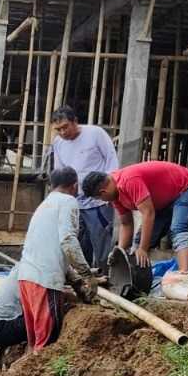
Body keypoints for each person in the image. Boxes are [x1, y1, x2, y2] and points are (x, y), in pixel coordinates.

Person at [19, 167, 97, 350]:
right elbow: (68, 240)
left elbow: (50, 250)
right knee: (47, 346)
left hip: (26, 278)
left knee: (35, 344)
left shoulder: (44, 205)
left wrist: (76, 281)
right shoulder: (68, 201)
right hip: (45, 282)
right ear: (75, 185)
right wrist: (87, 275)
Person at [82, 160, 188, 273]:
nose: (104, 201)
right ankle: (136, 280)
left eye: (100, 198)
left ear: (103, 192)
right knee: (138, 242)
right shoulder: (115, 195)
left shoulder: (128, 180)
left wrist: (143, 249)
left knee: (179, 229)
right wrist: (119, 251)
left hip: (187, 187)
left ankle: (186, 276)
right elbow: (126, 223)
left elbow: (148, 213)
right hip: (165, 202)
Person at [49, 106, 120, 270]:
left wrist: (108, 192)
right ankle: (83, 278)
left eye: (65, 127)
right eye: (58, 129)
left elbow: (111, 160)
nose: (62, 132)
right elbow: (60, 171)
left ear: (75, 121)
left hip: (98, 201)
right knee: (77, 241)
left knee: (101, 240)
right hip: (74, 201)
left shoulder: (95, 134)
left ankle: (106, 278)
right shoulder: (58, 143)